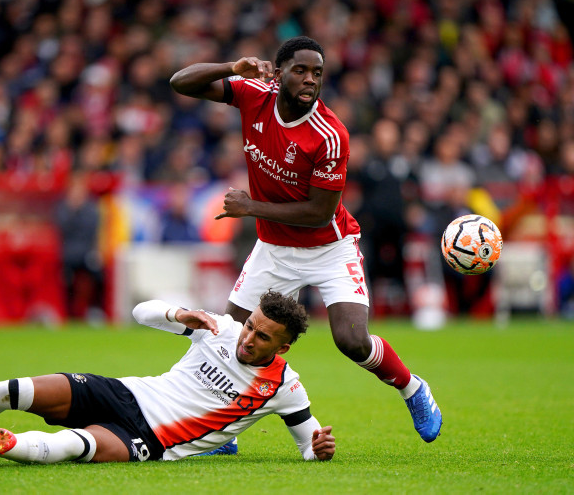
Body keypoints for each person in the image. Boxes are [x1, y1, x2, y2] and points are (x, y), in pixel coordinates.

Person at [169, 36, 442, 444]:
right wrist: (231, 68)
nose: (310, 79)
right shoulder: (254, 94)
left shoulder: (330, 135)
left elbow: (319, 212)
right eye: (300, 70)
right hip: (274, 250)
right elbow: (180, 82)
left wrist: (252, 208)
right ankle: (223, 433)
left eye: (317, 72)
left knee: (351, 341)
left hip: (329, 248)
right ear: (277, 74)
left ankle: (413, 389)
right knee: (228, 338)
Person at [0, 291, 335, 464]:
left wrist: (318, 449)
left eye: (263, 337)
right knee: (11, 389)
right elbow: (140, 312)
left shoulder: (284, 388)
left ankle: (9, 444)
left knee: (78, 445)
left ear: (284, 347)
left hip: (153, 440)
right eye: (251, 326)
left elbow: (308, 446)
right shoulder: (220, 328)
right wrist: (180, 313)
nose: (249, 338)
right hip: (126, 391)